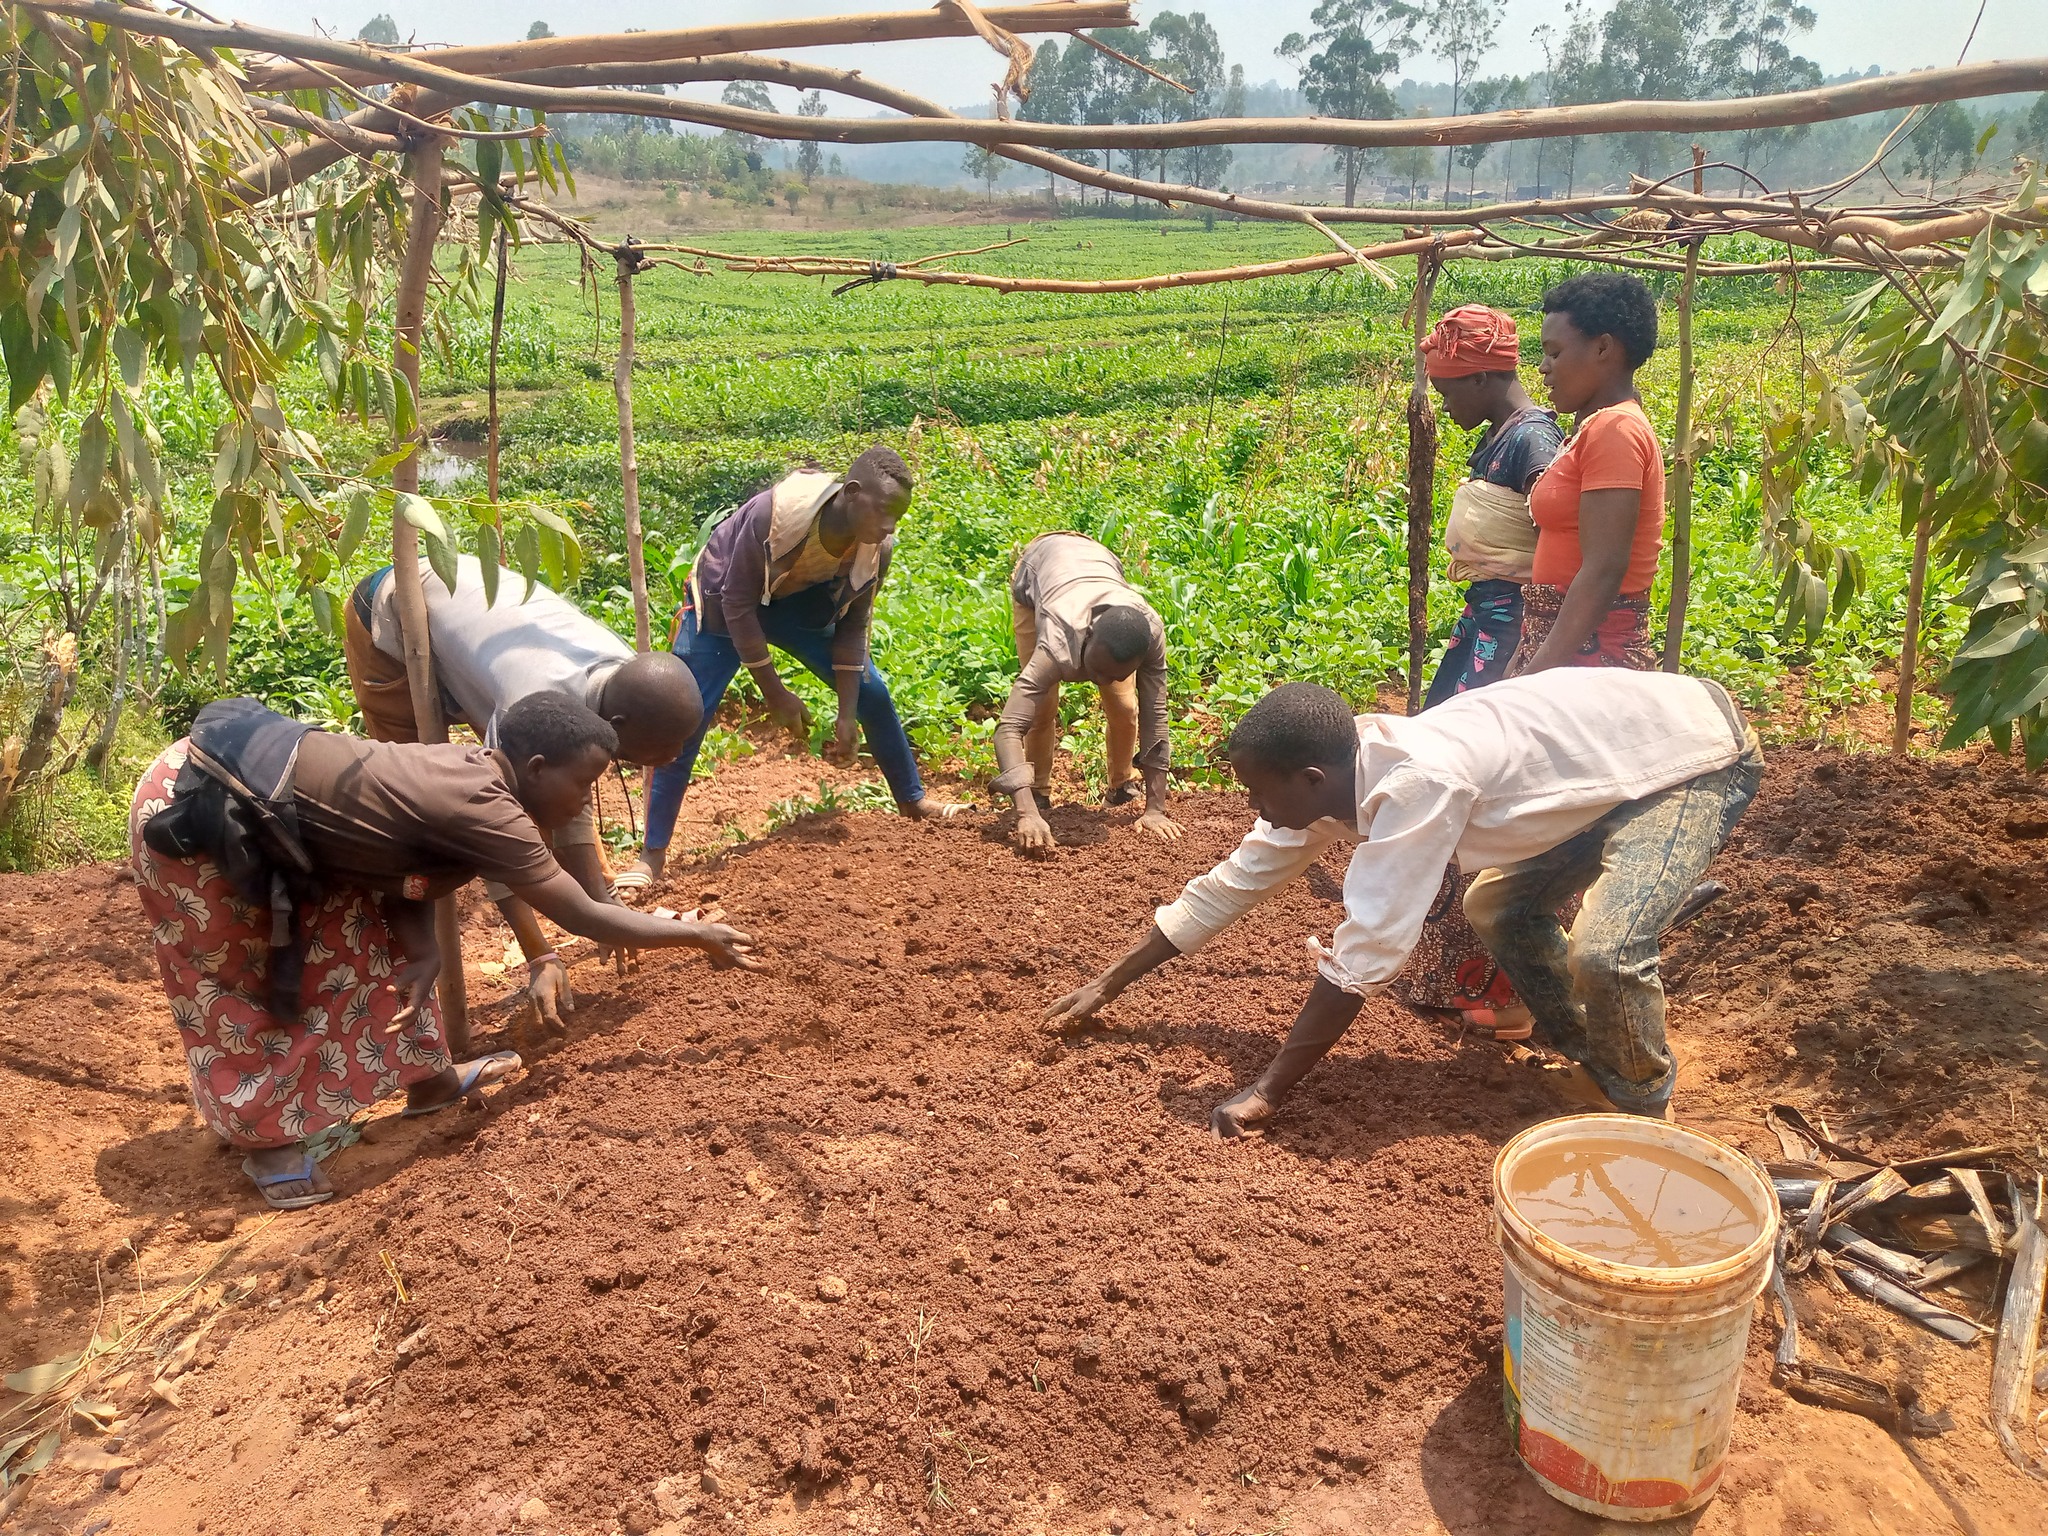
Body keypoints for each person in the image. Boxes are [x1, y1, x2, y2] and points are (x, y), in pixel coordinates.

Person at [1044, 671, 1762, 1134]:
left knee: (1607, 949)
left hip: (1690, 759)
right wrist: (1108, 984)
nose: (1256, 810)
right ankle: (1591, 1058)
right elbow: (1231, 884)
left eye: (1260, 793)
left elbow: (1369, 951)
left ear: (1311, 778)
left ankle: (1641, 1104)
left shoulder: (1417, 785)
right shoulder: (1335, 784)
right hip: (1602, 771)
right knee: (1497, 911)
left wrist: (1267, 1089)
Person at [130, 692, 759, 1210]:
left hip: (274, 810)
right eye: (585, 783)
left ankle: (427, 1078)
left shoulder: (480, 774)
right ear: (537, 767)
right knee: (239, 973)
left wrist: (422, 952)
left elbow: (400, 865)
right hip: (203, 804)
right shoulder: (486, 807)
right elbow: (588, 917)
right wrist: (699, 935)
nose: (585, 802)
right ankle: (264, 1141)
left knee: (364, 943)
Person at [345, 553, 704, 1027]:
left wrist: (600, 901)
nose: (674, 757)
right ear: (617, 724)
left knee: (543, 796)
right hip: (392, 610)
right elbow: (492, 825)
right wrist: (540, 954)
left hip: (474, 616)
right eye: (664, 746)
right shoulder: (531, 696)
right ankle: (414, 980)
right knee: (417, 798)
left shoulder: (622, 674)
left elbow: (569, 784)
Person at [624, 446, 959, 890]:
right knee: (684, 717)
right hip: (725, 600)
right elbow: (738, 604)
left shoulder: (877, 548)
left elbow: (853, 627)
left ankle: (912, 801)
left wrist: (846, 712)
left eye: (898, 516)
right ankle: (653, 854)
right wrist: (775, 693)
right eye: (883, 512)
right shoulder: (774, 516)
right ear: (853, 493)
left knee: (872, 693)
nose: (889, 526)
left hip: (796, 604)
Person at [1515, 272, 1667, 675]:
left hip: (1590, 662)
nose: (1544, 367)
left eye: (1555, 352)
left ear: (1603, 348)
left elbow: (1603, 569)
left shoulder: (1615, 431)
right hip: (1564, 650)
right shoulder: (1593, 428)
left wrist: (1533, 677)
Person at [994, 532, 1182, 851]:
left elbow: (1156, 714)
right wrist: (1025, 814)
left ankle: (1121, 787)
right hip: (1039, 570)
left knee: (1124, 708)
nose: (1102, 682)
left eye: (1115, 675)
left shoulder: (1150, 635)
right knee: (1041, 710)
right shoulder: (1057, 640)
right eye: (1098, 672)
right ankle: (1037, 795)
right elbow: (1009, 727)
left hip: (1098, 564)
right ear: (1088, 636)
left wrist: (1155, 810)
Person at [1418, 305, 1564, 706]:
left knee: (1477, 727)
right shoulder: (1504, 435)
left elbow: (1556, 535)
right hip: (1489, 613)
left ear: (1480, 378)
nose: (1445, 408)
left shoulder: (1531, 440)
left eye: (1447, 394)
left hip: (1513, 623)